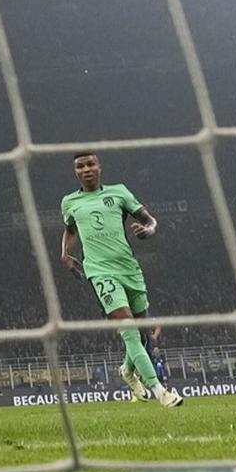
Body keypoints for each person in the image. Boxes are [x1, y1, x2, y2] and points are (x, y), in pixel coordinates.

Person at [60, 152, 183, 408]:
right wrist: (66, 253)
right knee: (129, 331)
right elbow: (70, 230)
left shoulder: (119, 193)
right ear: (75, 172)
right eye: (80, 166)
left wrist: (149, 230)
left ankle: (127, 371)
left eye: (90, 164)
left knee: (142, 331)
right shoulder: (69, 202)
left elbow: (150, 220)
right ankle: (160, 391)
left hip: (129, 270)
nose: (86, 169)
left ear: (99, 167)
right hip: (100, 272)